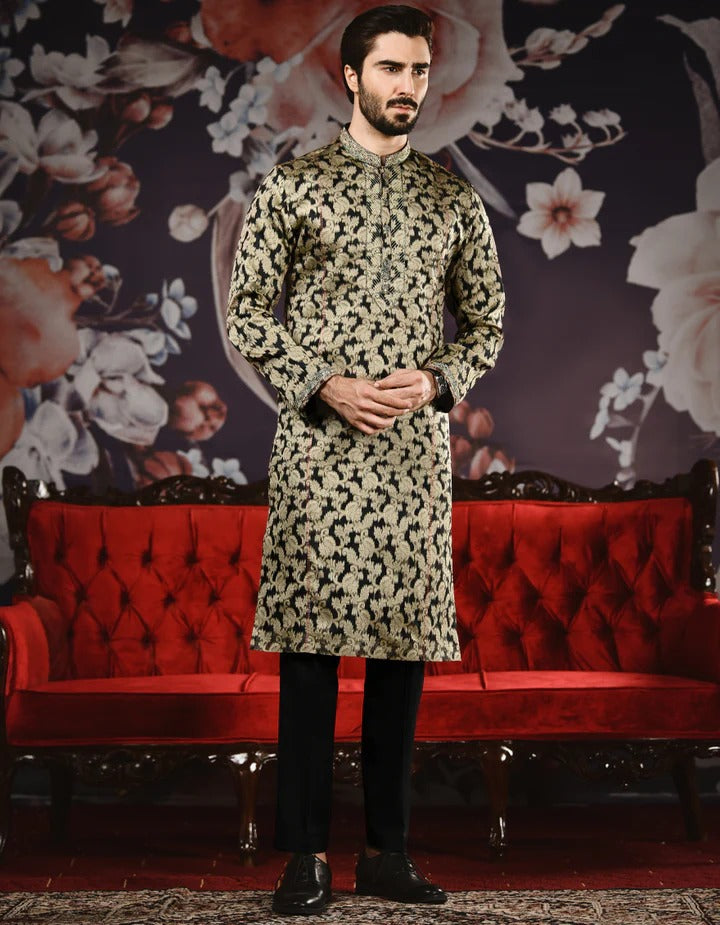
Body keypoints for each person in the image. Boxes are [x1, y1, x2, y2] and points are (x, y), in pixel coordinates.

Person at [226, 4, 505, 915]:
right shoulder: (295, 188)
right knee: (309, 655)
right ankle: (303, 855)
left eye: (420, 71)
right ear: (350, 76)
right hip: (317, 448)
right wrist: (322, 384)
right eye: (391, 69)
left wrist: (435, 380)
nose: (408, 87)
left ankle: (388, 850)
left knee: (402, 655)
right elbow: (248, 315)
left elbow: (488, 324)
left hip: (413, 459)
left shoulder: (451, 198)